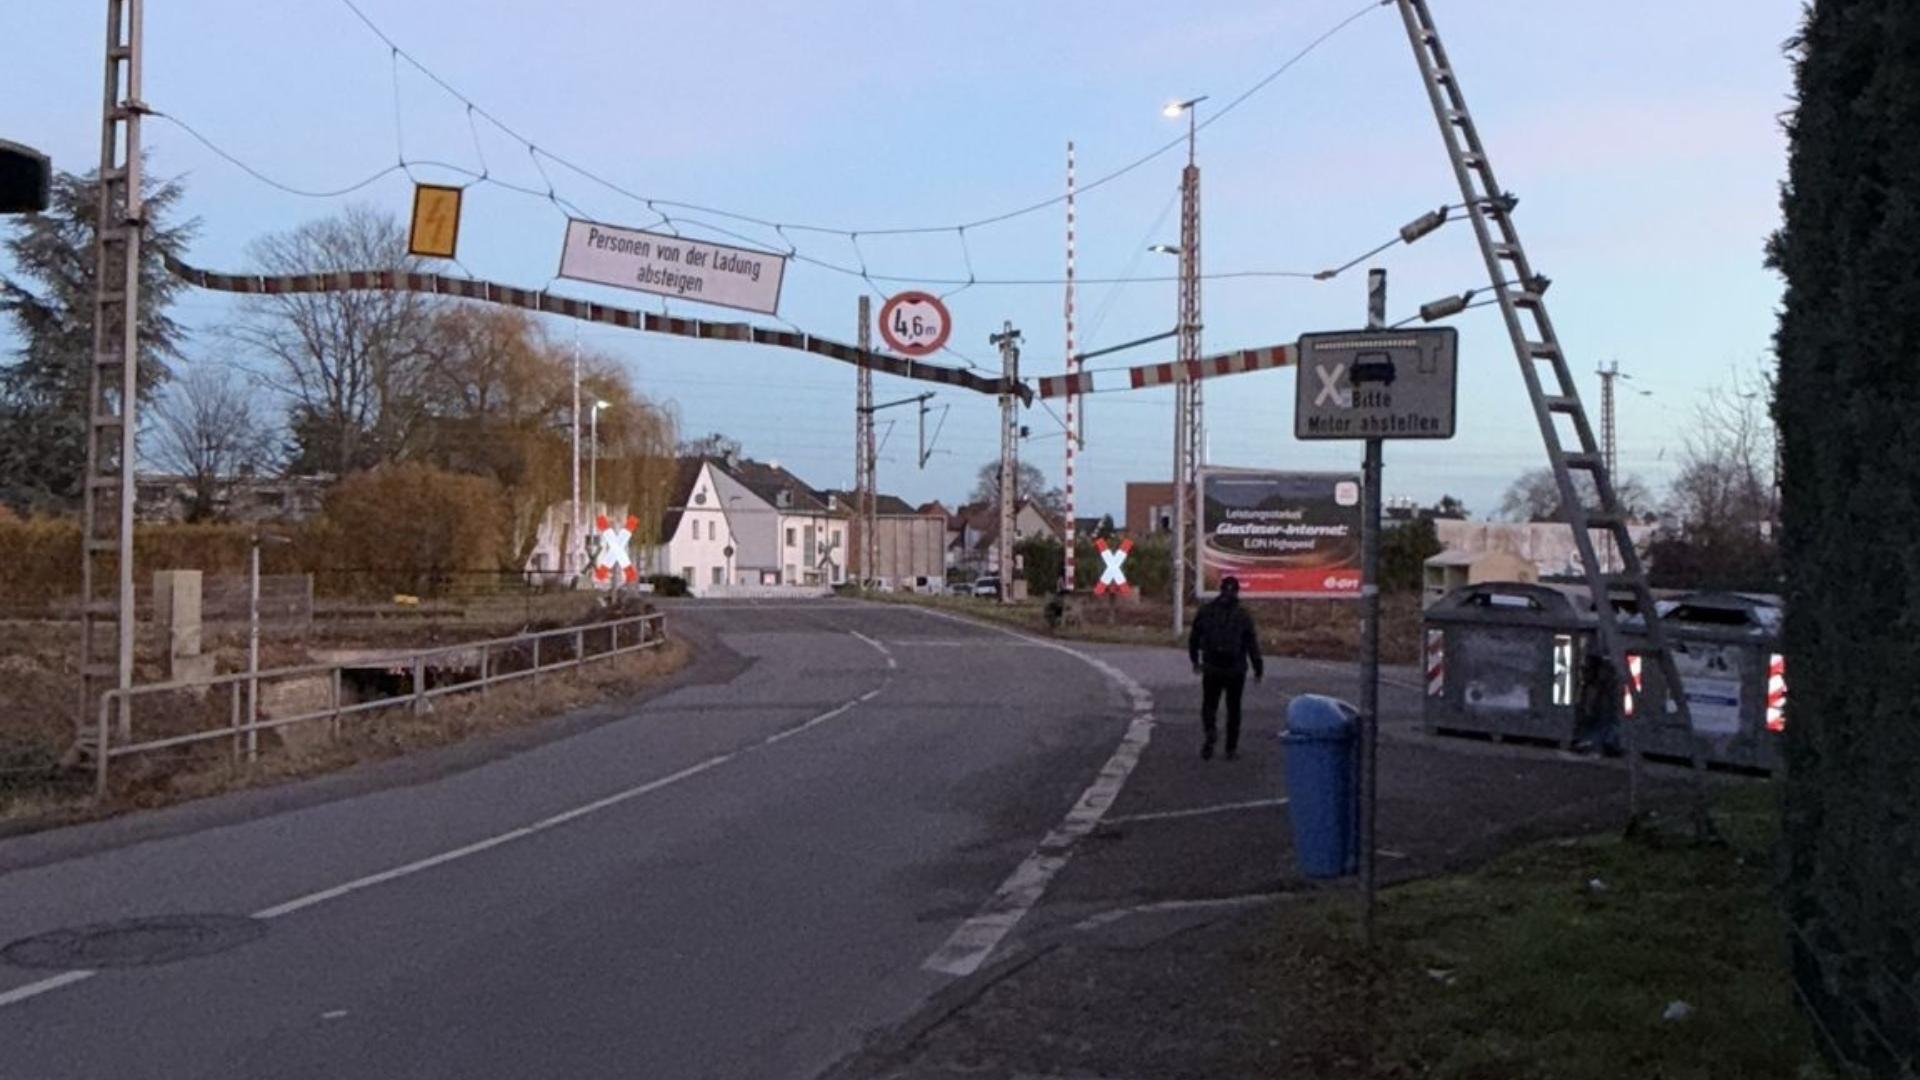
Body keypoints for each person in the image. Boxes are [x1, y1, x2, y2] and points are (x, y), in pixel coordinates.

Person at [1187, 575, 1264, 760]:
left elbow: (1194, 638)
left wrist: (1195, 661)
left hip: (1212, 666)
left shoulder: (1206, 611)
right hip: (1235, 669)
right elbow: (1251, 643)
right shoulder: (1243, 615)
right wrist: (1258, 668)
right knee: (1234, 709)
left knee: (1209, 704)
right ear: (1237, 591)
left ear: (1220, 589)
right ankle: (1231, 748)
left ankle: (1210, 731)